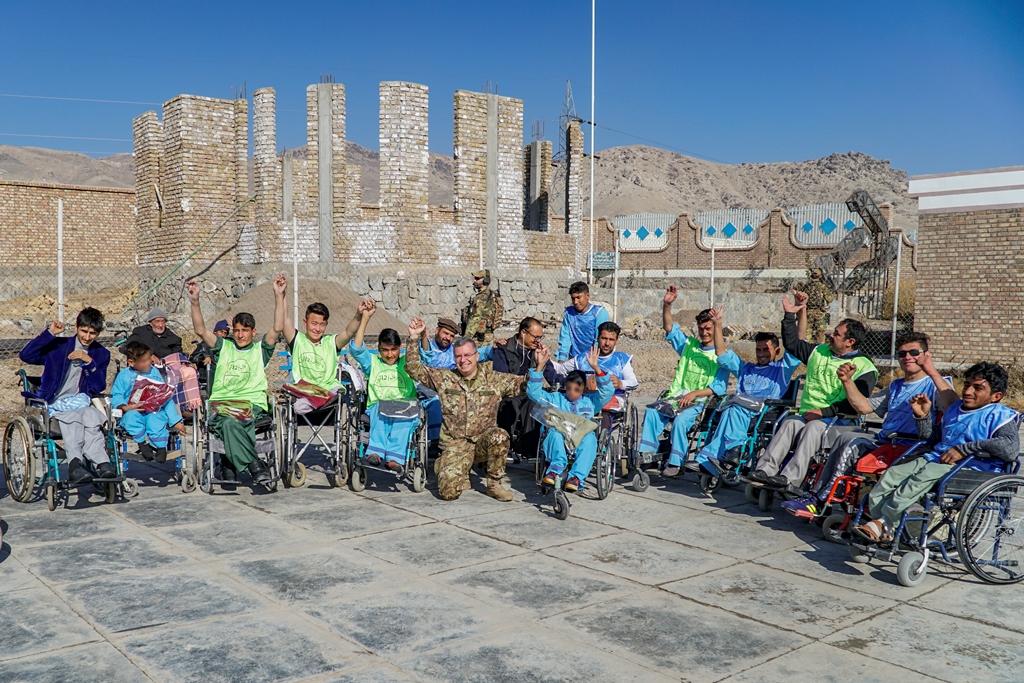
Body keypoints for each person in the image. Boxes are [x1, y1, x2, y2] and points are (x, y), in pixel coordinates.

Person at [783, 332, 947, 518]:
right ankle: (820, 494)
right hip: (886, 441)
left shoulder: (936, 385)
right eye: (902, 354)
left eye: (914, 352)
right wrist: (847, 381)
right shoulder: (896, 386)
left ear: (926, 354)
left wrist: (932, 371)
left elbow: (953, 406)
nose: (907, 357)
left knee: (852, 443)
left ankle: (819, 500)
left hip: (909, 447)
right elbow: (863, 406)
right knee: (845, 435)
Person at [854, 362, 1019, 543]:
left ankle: (884, 522)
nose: (968, 391)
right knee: (892, 475)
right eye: (967, 384)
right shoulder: (955, 409)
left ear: (996, 396)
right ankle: (882, 524)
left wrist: (964, 449)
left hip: (972, 468)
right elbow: (935, 438)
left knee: (919, 479)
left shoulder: (1000, 415)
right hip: (938, 459)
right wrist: (923, 416)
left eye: (978, 388)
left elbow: (1009, 448)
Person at [747, 292, 878, 493]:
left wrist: (823, 412)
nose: (831, 335)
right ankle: (764, 471)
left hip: (839, 420)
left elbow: (858, 403)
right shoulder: (820, 351)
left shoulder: (864, 366)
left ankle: (790, 479)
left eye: (836, 333)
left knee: (813, 428)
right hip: (808, 415)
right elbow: (792, 344)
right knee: (790, 423)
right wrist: (790, 315)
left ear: (850, 341)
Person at [405, 317, 527, 501]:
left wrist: (540, 366)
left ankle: (494, 484)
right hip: (456, 444)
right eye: (459, 356)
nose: (463, 360)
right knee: (448, 493)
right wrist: (414, 338)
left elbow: (523, 384)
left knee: (500, 436)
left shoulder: (493, 379)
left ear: (476, 356)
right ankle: (447, 465)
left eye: (467, 355)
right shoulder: (445, 378)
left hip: (482, 443)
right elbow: (413, 368)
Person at [187, 279, 279, 488]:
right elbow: (201, 330)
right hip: (223, 404)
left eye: (245, 330)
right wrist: (194, 301)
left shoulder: (260, 350)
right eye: (237, 330)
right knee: (228, 421)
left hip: (251, 404)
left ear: (253, 332)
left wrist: (279, 295)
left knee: (235, 421)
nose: (240, 334)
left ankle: (229, 463)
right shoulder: (223, 347)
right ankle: (255, 465)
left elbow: (278, 327)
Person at [636, 287, 730, 477]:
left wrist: (694, 394)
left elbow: (718, 388)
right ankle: (647, 454)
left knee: (680, 421)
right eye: (701, 329)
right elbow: (669, 328)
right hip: (676, 397)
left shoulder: (721, 356)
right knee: (653, 412)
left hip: (698, 403)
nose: (704, 332)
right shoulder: (690, 346)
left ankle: (676, 462)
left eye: (708, 329)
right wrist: (667, 306)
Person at [699, 308, 801, 475]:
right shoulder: (746, 368)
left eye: (765, 350)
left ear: (776, 350)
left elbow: (798, 342)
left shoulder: (782, 369)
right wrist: (718, 324)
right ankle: (725, 454)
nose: (761, 354)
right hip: (739, 410)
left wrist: (800, 311)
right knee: (729, 408)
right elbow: (721, 353)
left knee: (734, 408)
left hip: (762, 413)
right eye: (758, 350)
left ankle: (729, 451)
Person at [19, 308, 112, 484]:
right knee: (75, 418)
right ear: (76, 327)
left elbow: (98, 386)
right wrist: (50, 334)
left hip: (81, 402)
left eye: (92, 333)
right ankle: (75, 464)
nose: (87, 337)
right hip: (56, 402)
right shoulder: (59, 347)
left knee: (92, 417)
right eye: (84, 331)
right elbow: (26, 355)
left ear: (98, 333)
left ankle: (102, 463)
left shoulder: (101, 354)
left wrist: (89, 362)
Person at [531, 344, 615, 492]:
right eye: (569, 388)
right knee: (554, 433)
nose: (572, 393)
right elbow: (534, 394)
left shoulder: (590, 401)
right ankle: (554, 470)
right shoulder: (557, 398)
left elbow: (607, 392)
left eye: (577, 390)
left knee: (589, 438)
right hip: (560, 439)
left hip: (580, 439)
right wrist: (539, 367)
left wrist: (596, 368)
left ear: (584, 389)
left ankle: (576, 477)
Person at [275, 274, 363, 414]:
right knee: (298, 408)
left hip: (328, 391)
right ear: (305, 323)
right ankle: (318, 400)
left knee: (338, 392)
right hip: (306, 392)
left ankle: (323, 399)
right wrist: (281, 294)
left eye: (322, 324)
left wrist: (359, 315)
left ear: (326, 325)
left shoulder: (330, 343)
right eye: (314, 323)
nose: (317, 328)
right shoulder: (298, 341)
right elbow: (284, 319)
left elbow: (348, 332)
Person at [347, 301, 420, 471]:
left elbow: (421, 354)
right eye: (385, 350)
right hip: (378, 407)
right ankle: (376, 452)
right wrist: (365, 318)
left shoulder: (407, 363)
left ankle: (395, 458)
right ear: (378, 349)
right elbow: (357, 349)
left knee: (403, 422)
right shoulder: (373, 363)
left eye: (393, 349)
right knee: (379, 413)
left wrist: (417, 336)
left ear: (400, 348)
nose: (389, 354)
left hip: (404, 408)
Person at [111, 341, 185, 463]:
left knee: (156, 418)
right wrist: (125, 407)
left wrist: (175, 421)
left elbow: (164, 396)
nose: (148, 363)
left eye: (149, 359)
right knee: (131, 417)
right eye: (144, 361)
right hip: (132, 410)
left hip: (152, 409)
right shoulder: (123, 376)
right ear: (131, 362)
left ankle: (161, 448)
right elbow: (117, 395)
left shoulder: (154, 372)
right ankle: (142, 444)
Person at [544, 320, 638, 412]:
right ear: (598, 338)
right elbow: (560, 369)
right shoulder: (583, 358)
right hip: (584, 401)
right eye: (604, 338)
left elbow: (633, 382)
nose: (607, 343)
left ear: (616, 341)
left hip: (610, 404)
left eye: (611, 339)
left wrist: (620, 383)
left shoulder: (622, 359)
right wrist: (544, 359)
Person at [494, 317, 546, 459]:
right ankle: (506, 445)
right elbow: (501, 377)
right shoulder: (504, 350)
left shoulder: (536, 352)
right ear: (523, 333)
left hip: (529, 394)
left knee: (534, 403)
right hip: (509, 393)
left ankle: (531, 450)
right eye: (536, 337)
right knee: (509, 403)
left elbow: (552, 374)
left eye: (541, 337)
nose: (538, 341)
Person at [556, 281, 610, 361]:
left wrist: (594, 363)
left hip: (594, 361)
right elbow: (565, 338)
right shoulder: (569, 313)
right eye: (573, 298)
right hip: (574, 360)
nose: (575, 302)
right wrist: (561, 361)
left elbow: (600, 339)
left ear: (587, 295)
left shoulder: (599, 313)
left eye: (578, 297)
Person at [418, 317, 493, 370]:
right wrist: (423, 335)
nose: (448, 338)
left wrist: (494, 347)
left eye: (451, 336)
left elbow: (480, 353)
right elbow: (426, 354)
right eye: (445, 333)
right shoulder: (426, 346)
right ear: (437, 331)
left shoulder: (455, 350)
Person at [462, 269, 503, 345]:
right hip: (489, 337)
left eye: (477, 279)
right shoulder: (492, 295)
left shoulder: (481, 297)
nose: (474, 281)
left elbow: (475, 317)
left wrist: (466, 338)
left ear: (486, 280)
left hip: (479, 339)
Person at [800, 268, 834, 344]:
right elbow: (829, 299)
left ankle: (806, 349)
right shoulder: (822, 286)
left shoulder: (806, 286)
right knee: (820, 334)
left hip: (808, 312)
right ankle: (820, 350)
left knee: (807, 333)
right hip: (819, 313)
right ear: (820, 276)